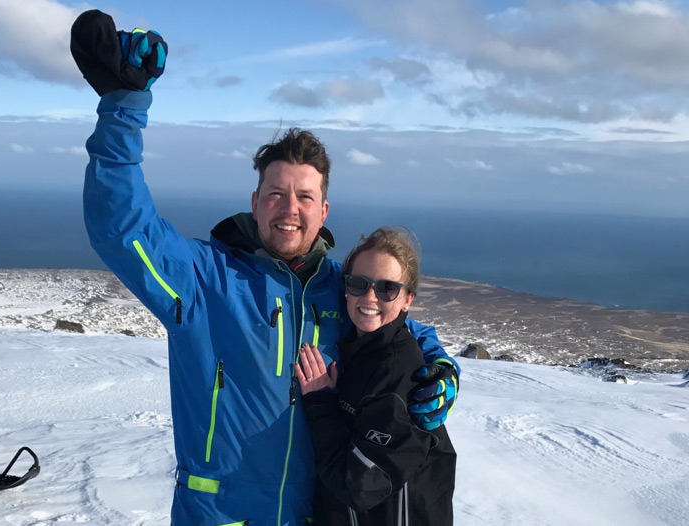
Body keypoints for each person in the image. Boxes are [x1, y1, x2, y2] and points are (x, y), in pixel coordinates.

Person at [70, 10, 460, 525]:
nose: (289, 208)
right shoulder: (205, 279)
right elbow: (122, 229)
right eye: (276, 194)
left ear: (323, 212)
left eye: (304, 196)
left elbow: (398, 328)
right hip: (219, 512)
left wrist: (440, 368)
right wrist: (123, 109)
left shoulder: (342, 288)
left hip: (310, 513)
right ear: (255, 203)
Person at [296, 227, 456, 525]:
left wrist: (320, 404)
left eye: (387, 289)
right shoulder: (358, 350)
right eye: (359, 283)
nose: (369, 297)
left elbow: (358, 486)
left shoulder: (400, 373)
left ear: (407, 299)